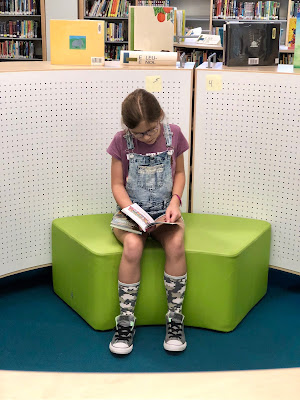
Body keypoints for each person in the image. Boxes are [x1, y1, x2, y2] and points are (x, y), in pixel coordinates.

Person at [106, 88, 189, 355]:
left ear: (160, 117)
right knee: (133, 247)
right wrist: (130, 210)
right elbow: (117, 185)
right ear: (128, 129)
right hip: (132, 214)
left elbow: (179, 172)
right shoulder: (121, 141)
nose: (147, 136)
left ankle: (175, 318)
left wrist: (175, 201)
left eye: (151, 129)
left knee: (176, 244)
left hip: (166, 213)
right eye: (139, 133)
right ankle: (126, 320)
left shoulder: (173, 134)